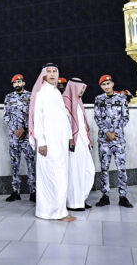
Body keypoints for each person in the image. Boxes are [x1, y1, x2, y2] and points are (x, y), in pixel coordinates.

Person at [28, 64, 75, 222]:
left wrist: (69, 136)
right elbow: (38, 120)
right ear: (43, 75)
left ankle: (57, 211)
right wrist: (41, 142)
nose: (53, 74)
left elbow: (64, 117)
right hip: (48, 143)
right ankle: (54, 212)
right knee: (51, 176)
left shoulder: (56, 93)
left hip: (60, 142)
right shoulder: (41, 93)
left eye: (55, 71)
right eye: (49, 72)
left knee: (60, 175)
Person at [93, 74, 132, 208]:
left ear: (112, 84)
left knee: (121, 168)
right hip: (104, 140)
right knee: (104, 168)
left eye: (108, 83)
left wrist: (114, 132)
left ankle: (123, 196)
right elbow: (97, 118)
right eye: (103, 84)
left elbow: (125, 117)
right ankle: (105, 196)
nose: (106, 86)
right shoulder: (98, 99)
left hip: (118, 138)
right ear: (101, 86)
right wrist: (107, 133)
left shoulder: (121, 98)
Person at [63, 78, 94, 211]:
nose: (82, 91)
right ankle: (74, 203)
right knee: (74, 172)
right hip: (73, 144)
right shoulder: (64, 102)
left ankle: (81, 198)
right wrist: (70, 140)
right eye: (81, 88)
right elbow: (64, 125)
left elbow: (82, 124)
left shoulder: (78, 102)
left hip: (83, 143)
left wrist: (87, 140)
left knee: (87, 170)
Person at [3, 74, 35, 202]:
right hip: (14, 136)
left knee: (30, 163)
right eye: (15, 82)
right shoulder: (9, 97)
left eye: (19, 82)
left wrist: (24, 129)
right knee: (14, 164)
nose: (17, 84)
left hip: (27, 136)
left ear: (23, 83)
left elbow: (34, 115)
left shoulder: (31, 96)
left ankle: (33, 192)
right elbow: (5, 115)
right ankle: (15, 191)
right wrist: (15, 130)